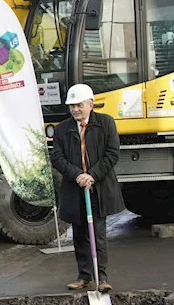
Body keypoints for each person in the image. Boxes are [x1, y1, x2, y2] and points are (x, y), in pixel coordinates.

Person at [49, 83, 124, 292]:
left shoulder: (106, 123)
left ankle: (101, 277)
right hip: (75, 188)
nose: (75, 110)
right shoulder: (63, 129)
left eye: (79, 105)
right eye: (71, 106)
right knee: (79, 233)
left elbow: (112, 154)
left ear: (90, 105)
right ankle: (84, 276)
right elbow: (57, 157)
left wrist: (92, 175)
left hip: (99, 187)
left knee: (98, 233)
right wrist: (78, 176)